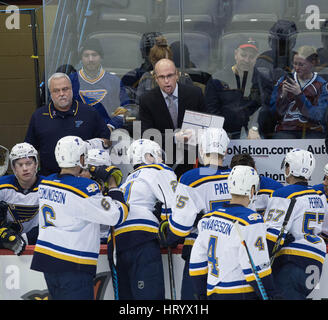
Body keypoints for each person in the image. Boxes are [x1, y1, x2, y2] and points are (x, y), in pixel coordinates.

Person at [30, 136, 128, 300]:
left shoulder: (46, 182)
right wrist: (112, 184)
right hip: (73, 264)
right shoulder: (84, 188)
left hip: (47, 261)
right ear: (81, 158)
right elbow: (117, 215)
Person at [160, 127, 232, 300]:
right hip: (232, 254)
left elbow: (180, 228)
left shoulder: (191, 178)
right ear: (226, 150)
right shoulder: (237, 176)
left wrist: (165, 236)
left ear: (201, 149)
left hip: (200, 254)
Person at [189, 165, 277, 300]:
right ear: (252, 189)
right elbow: (257, 269)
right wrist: (271, 295)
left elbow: (197, 264)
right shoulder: (251, 221)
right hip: (241, 293)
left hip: (214, 293)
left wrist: (202, 295)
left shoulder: (207, 219)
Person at [110, 138, 177, 300]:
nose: (161, 160)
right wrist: (171, 231)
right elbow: (173, 202)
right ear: (148, 156)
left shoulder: (127, 181)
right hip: (141, 240)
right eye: (157, 155)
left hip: (116, 243)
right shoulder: (159, 170)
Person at [264, 148, 327, 299]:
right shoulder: (319, 197)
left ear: (290, 168)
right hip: (316, 264)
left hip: (293, 262)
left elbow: (271, 235)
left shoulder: (284, 194)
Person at [24, 72, 111, 176]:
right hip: (49, 180)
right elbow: (29, 150)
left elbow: (107, 143)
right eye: (56, 91)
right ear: (50, 93)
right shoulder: (39, 116)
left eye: (65, 89)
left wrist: (88, 167)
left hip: (83, 179)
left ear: (72, 90)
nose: (61, 94)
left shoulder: (89, 113)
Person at [139, 58, 205, 178]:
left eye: (170, 76)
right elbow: (146, 135)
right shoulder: (146, 100)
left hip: (193, 159)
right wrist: (174, 138)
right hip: (164, 162)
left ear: (177, 75)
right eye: (162, 77)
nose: (166, 81)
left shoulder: (195, 94)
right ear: (156, 79)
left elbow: (206, 125)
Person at [70, 38, 130, 130]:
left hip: (109, 130)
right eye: (86, 55)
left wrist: (111, 126)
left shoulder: (114, 82)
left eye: (94, 55)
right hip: (76, 130)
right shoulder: (71, 80)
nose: (90, 59)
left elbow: (125, 108)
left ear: (101, 57)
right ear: (81, 58)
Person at [205, 37, 260, 139]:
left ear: (256, 58)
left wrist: (254, 128)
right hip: (223, 133)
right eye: (243, 55)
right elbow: (211, 110)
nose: (247, 60)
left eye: (251, 57)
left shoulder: (260, 80)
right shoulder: (218, 79)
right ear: (235, 54)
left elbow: (264, 109)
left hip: (251, 133)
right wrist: (221, 133)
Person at [270, 45, 328, 139]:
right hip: (286, 129)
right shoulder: (284, 80)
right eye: (295, 63)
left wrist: (299, 95)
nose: (297, 68)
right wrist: (282, 96)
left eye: (301, 64)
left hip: (312, 130)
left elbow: (319, 116)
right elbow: (273, 114)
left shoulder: (322, 85)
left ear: (312, 63)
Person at [252, 20, 298, 138]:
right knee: (264, 113)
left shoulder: (297, 58)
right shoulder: (264, 58)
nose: (282, 45)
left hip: (294, 108)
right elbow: (268, 83)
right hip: (269, 109)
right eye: (279, 41)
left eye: (285, 42)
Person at [0, 143, 44, 255]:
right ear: (14, 167)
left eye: (29, 163)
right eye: (20, 164)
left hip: (39, 246)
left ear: (36, 164)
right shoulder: (2, 186)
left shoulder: (49, 187)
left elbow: (55, 223)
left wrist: (25, 239)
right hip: (8, 247)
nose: (25, 168)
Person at [136, 36, 193, 104]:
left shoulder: (184, 78)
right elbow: (139, 105)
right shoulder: (146, 78)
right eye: (158, 62)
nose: (166, 80)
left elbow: (192, 105)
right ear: (153, 62)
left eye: (170, 75)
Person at [121, 31, 163, 104]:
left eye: (158, 50)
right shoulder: (131, 77)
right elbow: (128, 107)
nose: (154, 55)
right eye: (149, 50)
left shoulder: (176, 75)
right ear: (143, 52)